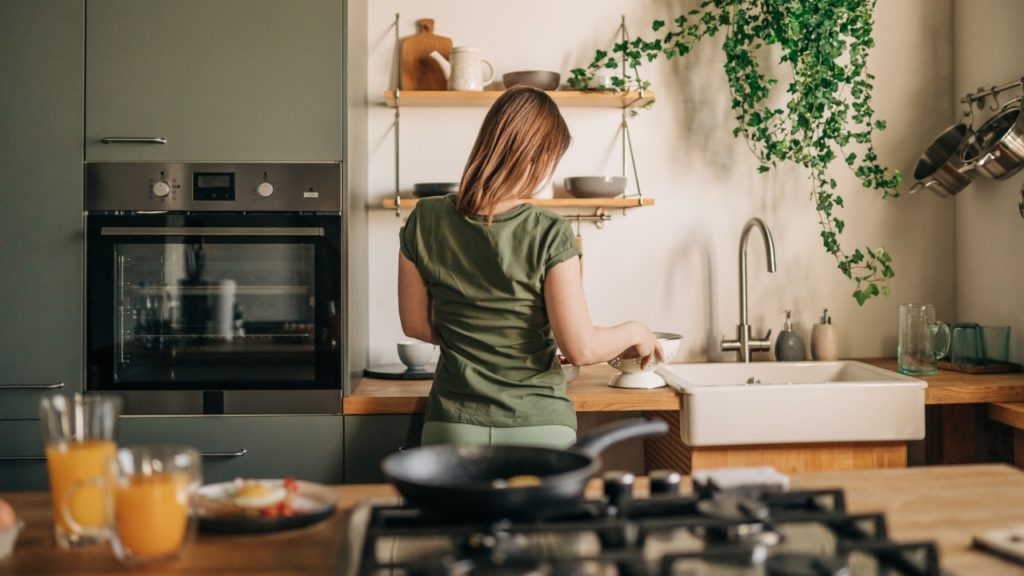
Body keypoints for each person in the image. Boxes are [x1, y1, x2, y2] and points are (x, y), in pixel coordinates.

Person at [397, 86, 662, 448]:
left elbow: (415, 325)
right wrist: (637, 331)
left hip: (453, 423)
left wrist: (476, 331)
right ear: (536, 159)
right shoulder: (550, 231)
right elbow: (581, 348)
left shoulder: (424, 218)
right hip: (538, 425)